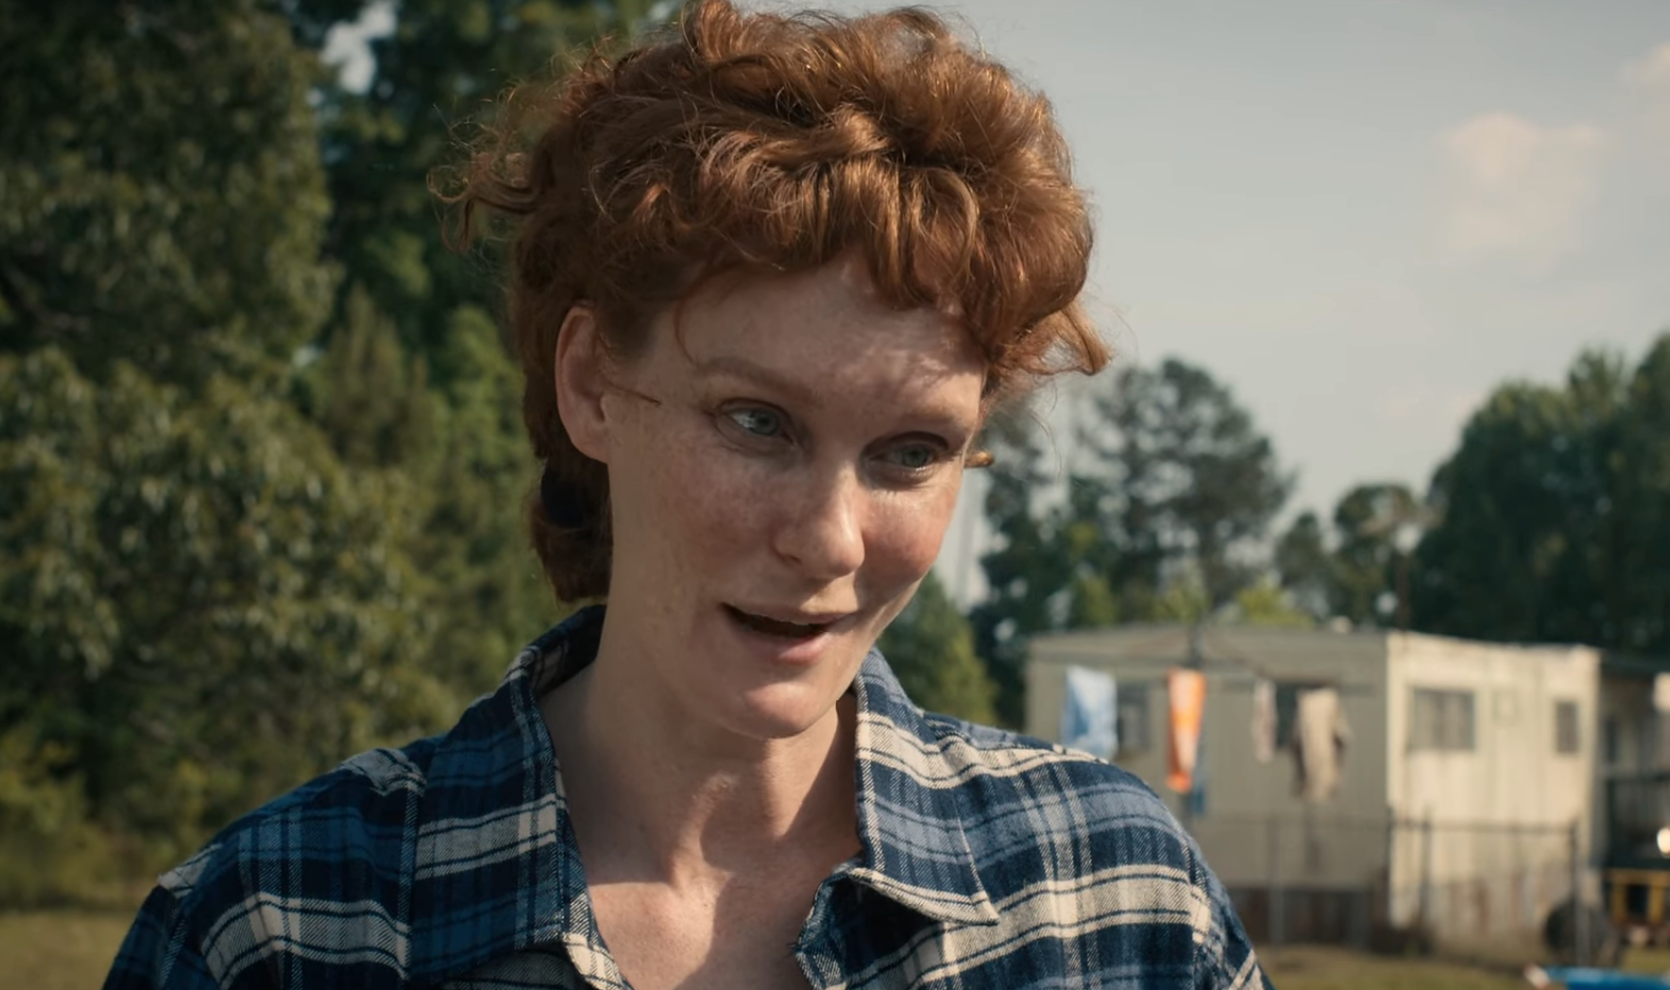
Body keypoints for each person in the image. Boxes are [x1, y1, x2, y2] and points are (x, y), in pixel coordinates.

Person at [104, 2, 1273, 987]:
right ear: (590, 384)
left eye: (909, 451)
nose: (825, 537)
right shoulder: (279, 930)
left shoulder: (1112, 912)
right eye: (756, 422)